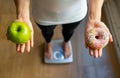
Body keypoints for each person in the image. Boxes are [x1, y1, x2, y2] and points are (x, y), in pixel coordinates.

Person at [14, 0, 113, 59]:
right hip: (43, 14)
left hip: (75, 14)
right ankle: (48, 43)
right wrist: (22, 14)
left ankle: (66, 42)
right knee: (46, 32)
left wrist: (94, 17)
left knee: (69, 31)